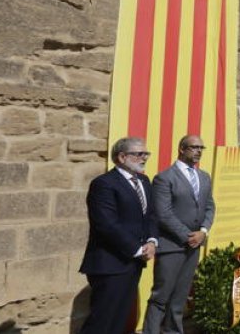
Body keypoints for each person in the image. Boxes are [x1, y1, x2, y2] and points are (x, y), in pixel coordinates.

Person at [79, 137, 158, 334]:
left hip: (133, 263)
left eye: (145, 154)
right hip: (110, 264)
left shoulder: (144, 181)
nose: (144, 158)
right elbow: (106, 224)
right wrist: (137, 249)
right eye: (139, 154)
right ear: (122, 157)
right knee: (102, 321)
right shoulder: (104, 184)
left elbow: (151, 216)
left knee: (119, 320)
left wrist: (151, 240)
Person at [143, 135, 216, 334]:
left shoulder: (204, 177)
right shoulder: (165, 177)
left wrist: (202, 232)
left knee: (180, 297)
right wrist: (188, 236)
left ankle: (173, 331)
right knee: (161, 297)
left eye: (201, 147)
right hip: (172, 246)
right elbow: (164, 214)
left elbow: (209, 207)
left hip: (193, 246)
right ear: (181, 149)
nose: (198, 151)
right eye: (194, 147)